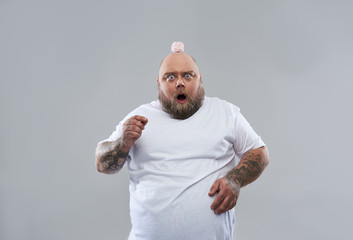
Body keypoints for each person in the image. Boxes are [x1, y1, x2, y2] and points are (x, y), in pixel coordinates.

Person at [95, 42, 269, 240]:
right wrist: (122, 143)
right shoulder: (139, 117)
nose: (179, 83)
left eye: (188, 75)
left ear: (200, 80)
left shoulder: (225, 113)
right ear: (158, 83)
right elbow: (102, 164)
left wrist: (235, 179)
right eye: (170, 77)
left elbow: (259, 152)